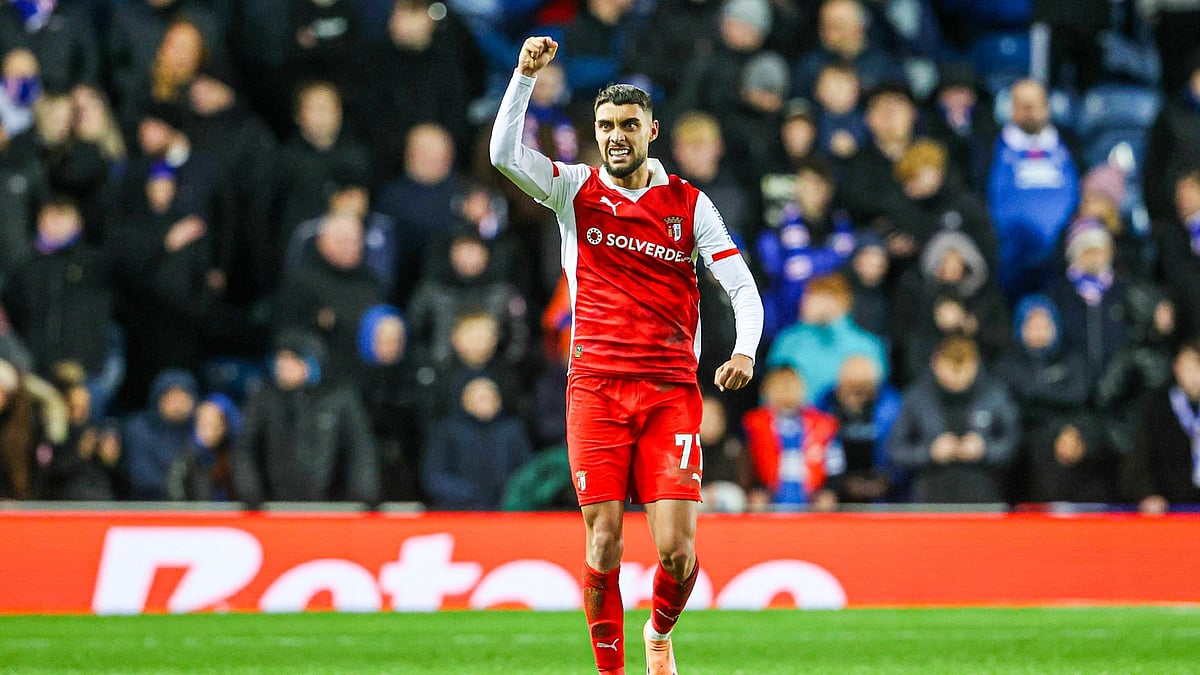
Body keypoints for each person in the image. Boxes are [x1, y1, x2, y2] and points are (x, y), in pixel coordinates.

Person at [490, 37, 763, 675]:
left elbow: (741, 285)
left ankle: (660, 633)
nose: (616, 136)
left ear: (651, 131)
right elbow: (503, 154)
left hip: (670, 389)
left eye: (628, 126)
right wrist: (524, 78)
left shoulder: (688, 204)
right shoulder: (573, 191)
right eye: (606, 126)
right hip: (596, 388)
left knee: (675, 553)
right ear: (595, 132)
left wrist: (743, 350)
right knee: (604, 539)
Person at [889, 336, 1020, 504]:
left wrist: (985, 449)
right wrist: (930, 452)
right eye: (950, 367)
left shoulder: (994, 395)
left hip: (984, 495)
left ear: (975, 365)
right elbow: (896, 448)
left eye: (962, 368)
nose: (956, 376)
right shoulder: (917, 397)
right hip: (930, 496)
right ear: (936, 363)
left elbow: (1013, 442)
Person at [742, 366, 844, 511]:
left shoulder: (823, 425)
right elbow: (747, 463)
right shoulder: (754, 425)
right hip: (770, 492)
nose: (786, 391)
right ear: (766, 391)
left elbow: (835, 465)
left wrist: (828, 491)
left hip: (812, 494)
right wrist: (755, 490)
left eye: (791, 385)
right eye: (779, 386)